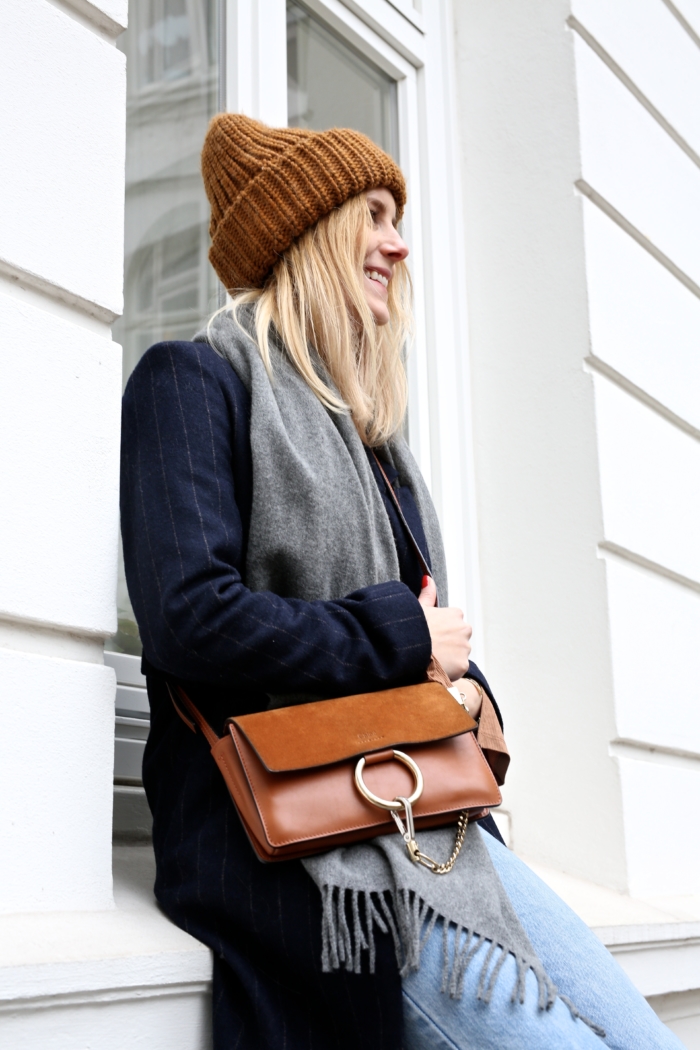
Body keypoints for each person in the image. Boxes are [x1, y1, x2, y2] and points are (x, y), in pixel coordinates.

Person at [120, 113, 683, 1050]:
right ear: (312, 232)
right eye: (372, 214)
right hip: (307, 853)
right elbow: (189, 619)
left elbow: (425, 645)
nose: (397, 241)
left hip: (439, 834)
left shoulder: (377, 449)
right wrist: (403, 640)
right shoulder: (191, 383)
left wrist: (460, 683)